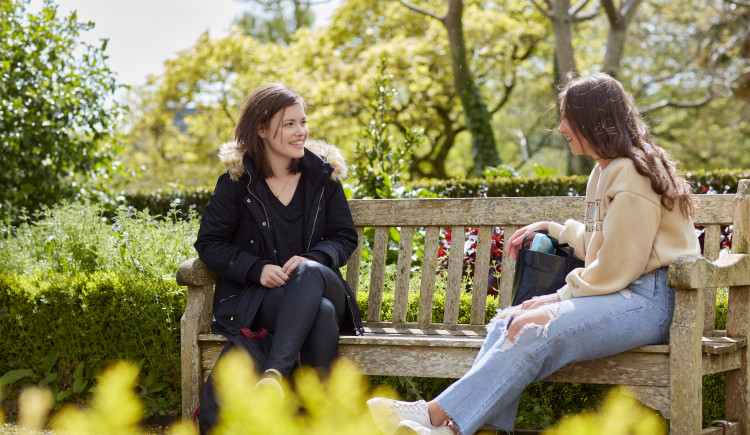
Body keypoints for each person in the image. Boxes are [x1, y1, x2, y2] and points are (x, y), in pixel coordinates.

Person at [367, 72, 700, 435]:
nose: (560, 128)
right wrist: (555, 230)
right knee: (507, 322)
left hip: (651, 301)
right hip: (628, 293)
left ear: (592, 120)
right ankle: (456, 429)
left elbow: (620, 265)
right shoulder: (605, 170)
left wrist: (555, 299)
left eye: (567, 118)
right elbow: (605, 243)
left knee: (532, 326)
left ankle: (433, 414)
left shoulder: (630, 172)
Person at [193, 83, 364, 419]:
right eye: (289, 124)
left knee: (310, 273)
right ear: (261, 129)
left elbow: (343, 237)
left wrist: (313, 259)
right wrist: (256, 269)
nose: (301, 132)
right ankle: (312, 417)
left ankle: (273, 374)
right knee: (322, 313)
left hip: (322, 280)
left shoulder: (323, 178)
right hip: (263, 297)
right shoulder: (237, 183)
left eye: (303, 122)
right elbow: (209, 243)